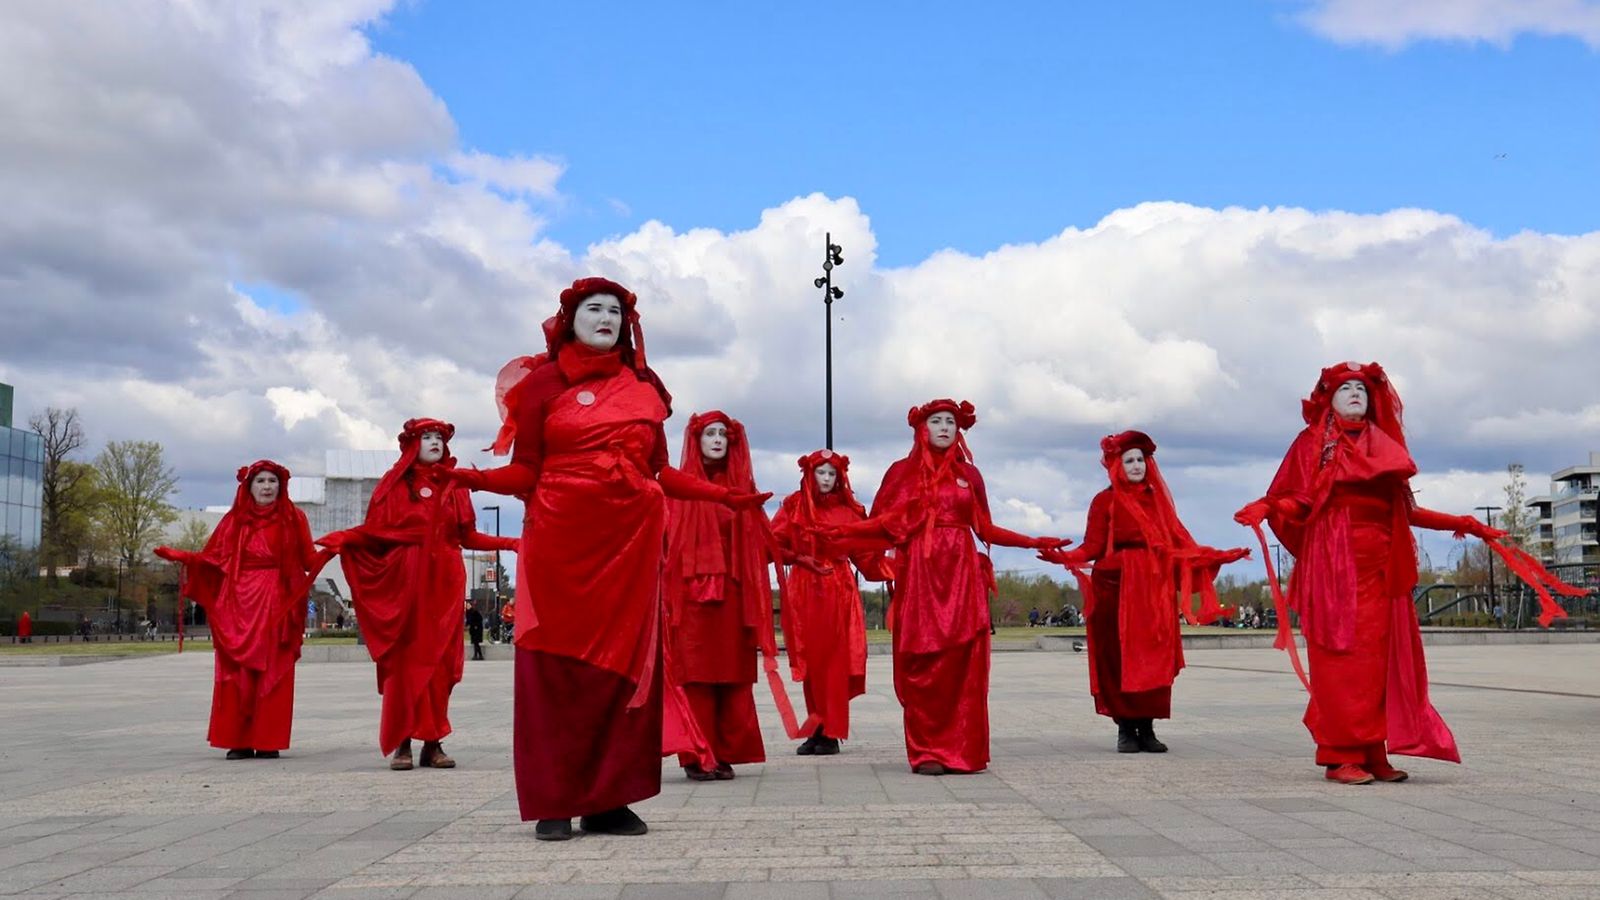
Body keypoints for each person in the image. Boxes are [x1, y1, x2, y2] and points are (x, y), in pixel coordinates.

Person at [452, 276, 765, 841]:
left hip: (630, 544)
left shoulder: (644, 385)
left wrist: (725, 495)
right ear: (569, 319)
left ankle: (609, 800)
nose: (606, 317)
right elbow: (526, 471)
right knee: (556, 669)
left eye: (615, 311)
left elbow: (660, 471)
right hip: (560, 542)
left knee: (626, 673)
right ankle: (554, 799)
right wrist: (469, 477)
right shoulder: (544, 384)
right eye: (593, 308)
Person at [1234, 361, 1581, 784]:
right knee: (1341, 662)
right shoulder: (1312, 445)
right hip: (1334, 568)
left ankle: (1372, 749)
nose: (1355, 394)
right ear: (1329, 399)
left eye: (1361, 388)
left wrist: (1465, 523)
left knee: (1379, 661)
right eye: (1345, 389)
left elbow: (1407, 511)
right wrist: (1269, 506)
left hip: (1381, 570)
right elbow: (1299, 501)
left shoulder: (1382, 446)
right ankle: (1339, 753)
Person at [830, 400, 1064, 775]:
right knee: (923, 663)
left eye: (950, 422)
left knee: (961, 665)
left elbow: (985, 529)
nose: (943, 427)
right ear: (921, 429)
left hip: (961, 576)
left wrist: (1033, 541)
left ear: (959, 430)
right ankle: (926, 752)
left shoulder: (970, 475)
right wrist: (842, 533)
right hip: (920, 576)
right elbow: (880, 525)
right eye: (935, 421)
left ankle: (961, 750)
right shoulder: (901, 473)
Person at [319, 418, 517, 771]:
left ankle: (433, 743)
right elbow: (376, 533)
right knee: (405, 663)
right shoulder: (393, 485)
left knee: (440, 666)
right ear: (412, 443)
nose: (435, 442)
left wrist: (510, 542)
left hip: (444, 583)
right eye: (427, 437)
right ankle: (402, 743)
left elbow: (467, 537)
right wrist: (346, 538)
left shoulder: (456, 486)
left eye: (439, 437)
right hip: (404, 583)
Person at [1039, 431, 1248, 753]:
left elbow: (1181, 545)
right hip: (1114, 587)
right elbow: (1093, 546)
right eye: (1129, 460)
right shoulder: (1104, 501)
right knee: (1118, 655)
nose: (1136, 466)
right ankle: (1125, 728)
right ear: (1115, 466)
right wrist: (1065, 557)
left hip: (1153, 588)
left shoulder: (1158, 501)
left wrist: (1217, 555)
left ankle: (1147, 727)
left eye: (1141, 460)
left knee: (1154, 654)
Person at [156, 460, 327, 760]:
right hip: (237, 603)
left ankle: (268, 738)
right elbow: (213, 560)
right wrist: (186, 558)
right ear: (249, 486)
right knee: (237, 674)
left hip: (276, 602)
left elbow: (308, 561)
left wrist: (337, 547)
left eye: (272, 481)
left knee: (274, 669)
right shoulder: (234, 521)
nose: (266, 487)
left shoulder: (294, 518)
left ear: (281, 486)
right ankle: (239, 739)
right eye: (260, 481)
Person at [662, 411, 779, 781]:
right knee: (695, 675)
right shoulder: (678, 489)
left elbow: (766, 542)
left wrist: (807, 555)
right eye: (709, 433)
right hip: (690, 600)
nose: (717, 439)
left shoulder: (743, 489)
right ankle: (698, 752)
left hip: (733, 596)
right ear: (695, 441)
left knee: (731, 674)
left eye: (723, 434)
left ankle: (725, 751)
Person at [770, 449, 893, 756]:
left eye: (831, 474)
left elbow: (866, 556)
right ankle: (818, 727)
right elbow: (772, 544)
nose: (825, 479)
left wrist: (901, 568)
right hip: (803, 590)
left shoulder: (848, 510)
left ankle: (830, 731)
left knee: (833, 661)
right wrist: (797, 557)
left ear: (840, 478)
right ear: (809, 474)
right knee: (810, 661)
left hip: (837, 590)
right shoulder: (793, 506)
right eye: (820, 473)